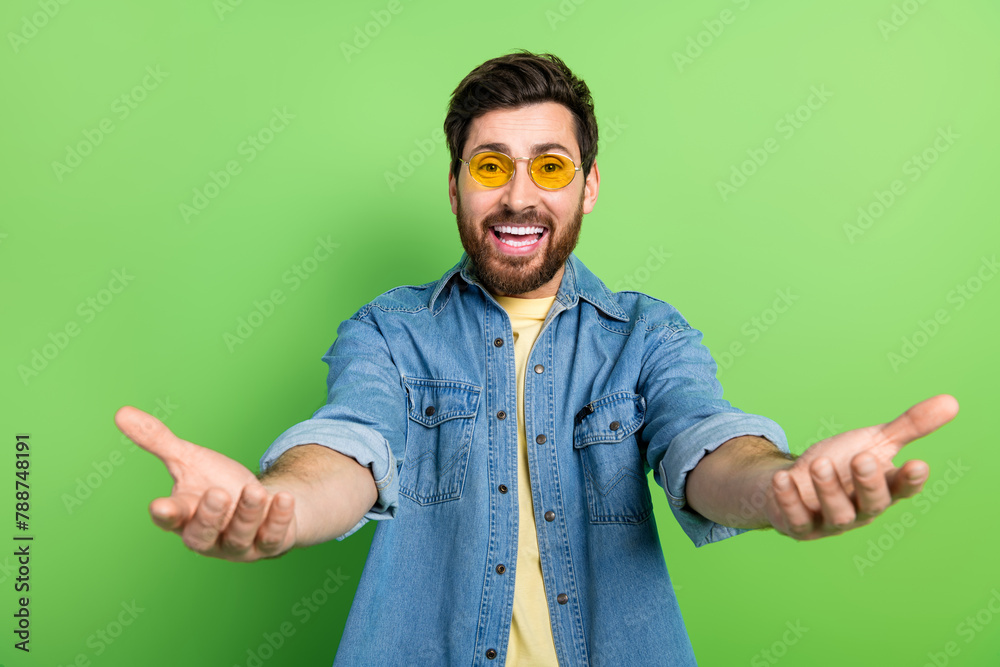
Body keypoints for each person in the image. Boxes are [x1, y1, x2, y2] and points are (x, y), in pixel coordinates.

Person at [116, 51, 960, 665]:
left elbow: (705, 444)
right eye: (491, 166)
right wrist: (278, 507)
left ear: (588, 186)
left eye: (549, 166)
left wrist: (780, 487)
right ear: (454, 187)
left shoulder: (648, 335)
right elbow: (349, 443)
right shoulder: (388, 330)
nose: (519, 194)